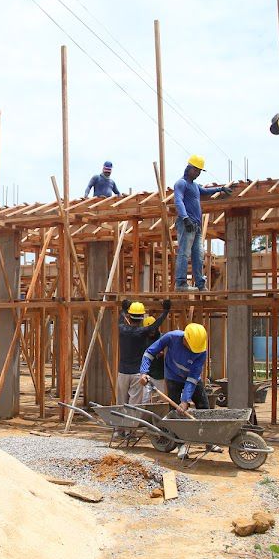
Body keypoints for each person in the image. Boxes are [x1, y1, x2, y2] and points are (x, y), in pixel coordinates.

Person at [174, 155, 231, 291]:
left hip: (196, 226)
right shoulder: (181, 183)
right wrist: (185, 218)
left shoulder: (194, 186)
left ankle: (200, 284)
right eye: (196, 170)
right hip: (187, 223)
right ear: (189, 168)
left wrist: (220, 189)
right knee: (184, 252)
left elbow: (205, 191)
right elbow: (178, 201)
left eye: (200, 171)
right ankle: (181, 283)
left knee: (198, 255)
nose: (198, 173)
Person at [138, 323, 209, 415]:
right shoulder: (171, 337)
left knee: (204, 408)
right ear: (185, 339)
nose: (192, 352)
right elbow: (149, 353)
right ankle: (175, 428)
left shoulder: (201, 352)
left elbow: (192, 378)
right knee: (174, 411)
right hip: (173, 376)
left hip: (192, 378)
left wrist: (185, 400)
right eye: (191, 348)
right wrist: (143, 372)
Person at [117, 299, 171, 405]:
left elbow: (120, 320)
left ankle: (122, 421)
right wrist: (165, 311)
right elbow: (155, 325)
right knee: (134, 405)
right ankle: (133, 421)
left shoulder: (122, 329)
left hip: (122, 372)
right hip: (137, 374)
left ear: (129, 316)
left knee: (121, 403)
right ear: (142, 318)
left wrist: (123, 309)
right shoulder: (142, 332)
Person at [141, 315, 167, 401]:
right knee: (144, 400)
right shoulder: (144, 339)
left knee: (164, 399)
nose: (151, 332)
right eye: (149, 329)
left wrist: (163, 353)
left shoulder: (163, 338)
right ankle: (144, 414)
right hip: (148, 374)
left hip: (161, 375)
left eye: (153, 329)